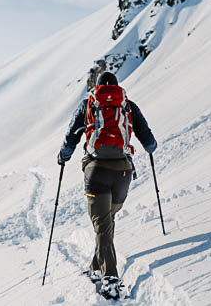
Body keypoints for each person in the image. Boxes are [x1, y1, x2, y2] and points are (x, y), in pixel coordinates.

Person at [57, 71, 157, 300]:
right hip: (123, 173)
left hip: (96, 171)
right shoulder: (127, 105)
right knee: (106, 222)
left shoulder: (88, 104)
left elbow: (71, 135)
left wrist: (63, 156)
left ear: (98, 87)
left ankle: (110, 278)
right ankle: (95, 267)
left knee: (103, 225)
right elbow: (149, 140)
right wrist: (150, 148)